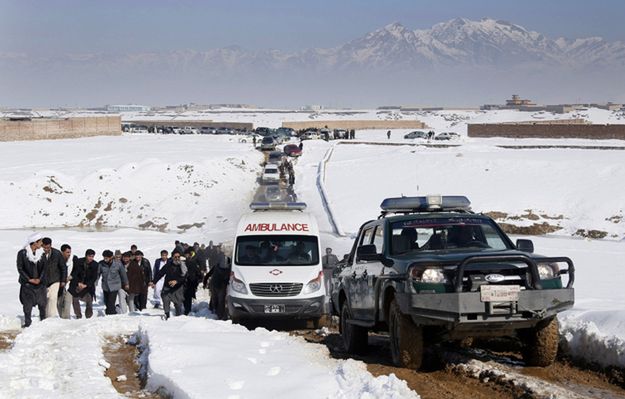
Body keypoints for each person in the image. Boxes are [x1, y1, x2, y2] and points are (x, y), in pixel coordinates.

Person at [17, 233, 46, 327]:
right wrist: (29, 279)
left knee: (42, 305)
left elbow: (44, 269)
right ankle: (27, 323)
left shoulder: (42, 254)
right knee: (27, 306)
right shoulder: (22, 253)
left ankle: (43, 322)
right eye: (40, 241)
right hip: (27, 284)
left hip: (40, 284)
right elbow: (20, 268)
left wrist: (39, 279)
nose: (42, 243)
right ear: (34, 243)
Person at [152, 250, 186, 319]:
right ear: (172, 257)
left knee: (178, 305)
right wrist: (154, 282)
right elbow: (160, 273)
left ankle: (179, 318)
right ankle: (167, 315)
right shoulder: (168, 265)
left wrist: (176, 281)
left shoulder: (183, 266)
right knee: (165, 300)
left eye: (178, 257)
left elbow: (184, 277)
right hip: (167, 287)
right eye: (175, 257)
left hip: (177, 288)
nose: (177, 258)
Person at [69, 249, 99, 319]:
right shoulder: (79, 262)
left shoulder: (95, 264)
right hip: (77, 284)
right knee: (75, 299)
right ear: (86, 256)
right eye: (89, 256)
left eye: (92, 256)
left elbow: (94, 278)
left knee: (89, 300)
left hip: (88, 286)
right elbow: (74, 273)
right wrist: (78, 283)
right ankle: (78, 315)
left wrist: (86, 285)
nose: (91, 258)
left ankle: (88, 316)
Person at [41, 237, 67, 318]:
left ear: (51, 245)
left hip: (55, 279)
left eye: (48, 247)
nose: (46, 249)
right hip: (43, 281)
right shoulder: (39, 254)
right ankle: (44, 316)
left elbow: (63, 267)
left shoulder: (57, 253)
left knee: (53, 298)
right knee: (44, 299)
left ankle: (51, 317)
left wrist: (63, 280)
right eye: (44, 247)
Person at [98, 250, 129, 315]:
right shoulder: (101, 264)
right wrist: (94, 282)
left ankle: (111, 316)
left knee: (110, 303)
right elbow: (97, 274)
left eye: (107, 258)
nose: (105, 259)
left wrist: (126, 283)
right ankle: (112, 312)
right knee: (106, 302)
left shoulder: (118, 263)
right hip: (105, 286)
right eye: (104, 258)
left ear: (111, 257)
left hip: (115, 286)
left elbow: (123, 274)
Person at [207, 248, 230, 320]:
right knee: (217, 299)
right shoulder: (217, 265)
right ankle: (217, 313)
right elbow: (210, 273)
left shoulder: (228, 265)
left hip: (221, 284)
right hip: (216, 283)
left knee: (220, 300)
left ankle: (219, 314)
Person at [59, 244, 78, 319]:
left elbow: (77, 270)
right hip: (60, 285)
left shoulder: (74, 259)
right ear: (62, 252)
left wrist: (70, 277)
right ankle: (61, 318)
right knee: (59, 304)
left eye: (69, 252)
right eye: (67, 252)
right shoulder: (58, 259)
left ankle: (66, 319)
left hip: (70, 285)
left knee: (67, 303)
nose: (69, 254)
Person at [183, 248, 202, 315]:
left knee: (188, 296)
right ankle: (186, 309)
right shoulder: (184, 262)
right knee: (185, 296)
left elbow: (198, 272)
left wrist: (198, 279)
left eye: (187, 255)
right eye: (185, 255)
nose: (186, 256)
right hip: (184, 282)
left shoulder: (193, 262)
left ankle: (187, 310)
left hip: (191, 282)